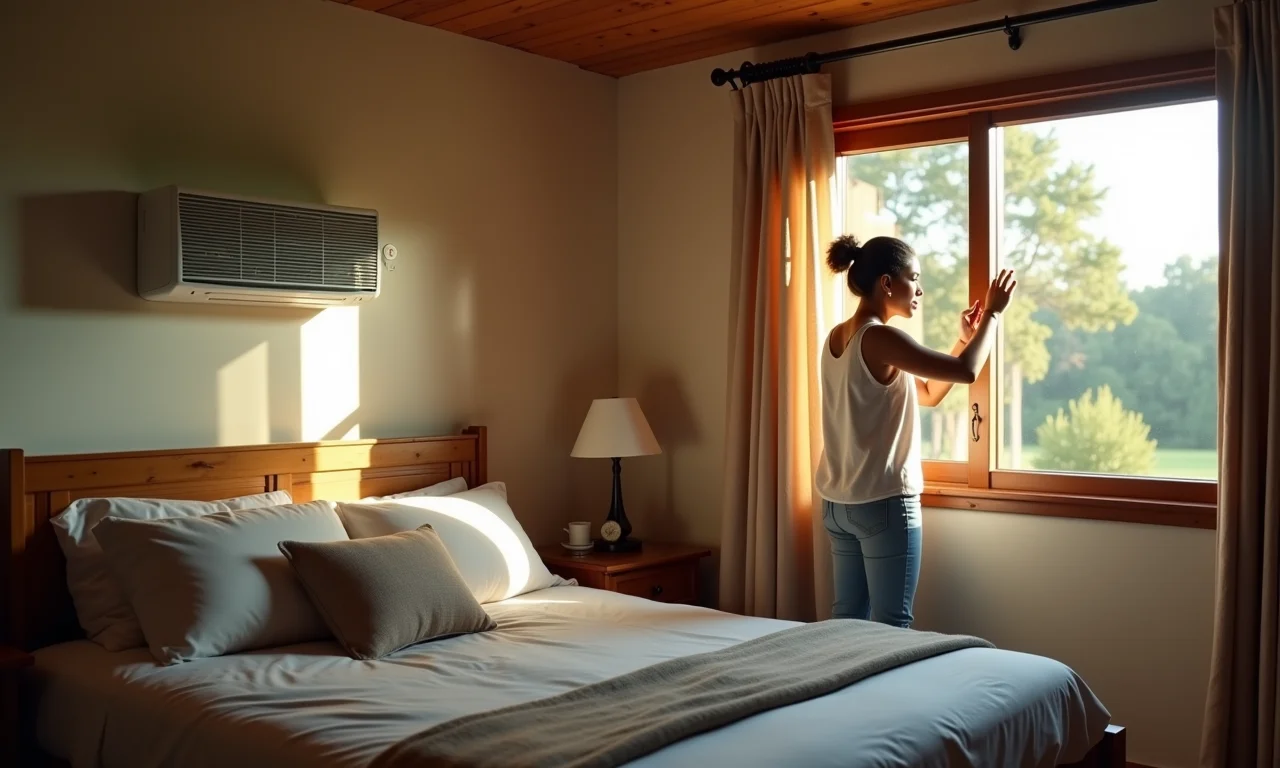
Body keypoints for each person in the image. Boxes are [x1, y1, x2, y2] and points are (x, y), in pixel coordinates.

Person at [815, 234, 1016, 628]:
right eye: (914, 278)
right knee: (893, 626)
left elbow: (925, 393)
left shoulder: (838, 337)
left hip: (839, 504)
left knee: (846, 623)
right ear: (888, 283)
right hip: (882, 502)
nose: (920, 290)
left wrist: (962, 339)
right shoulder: (879, 336)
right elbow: (966, 372)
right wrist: (993, 314)